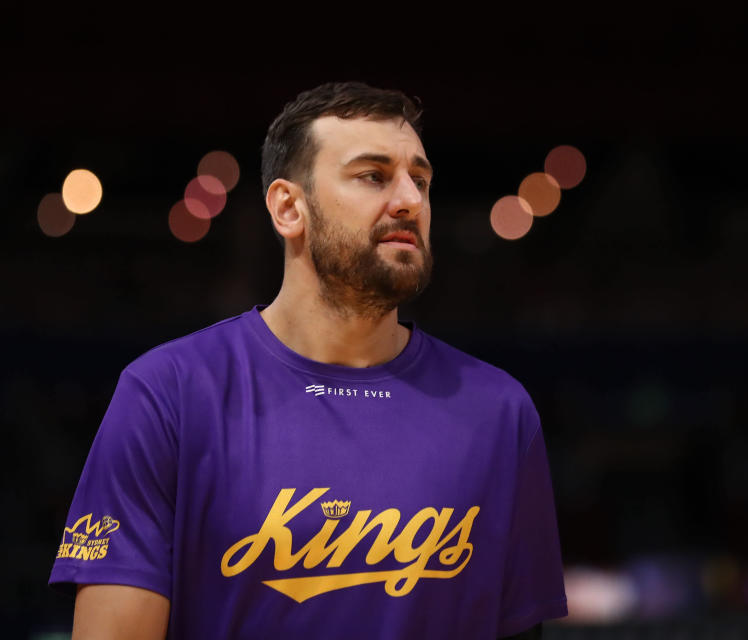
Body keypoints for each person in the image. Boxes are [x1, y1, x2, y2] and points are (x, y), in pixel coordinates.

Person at [50, 81, 567, 639]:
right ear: (288, 208)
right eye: (373, 175)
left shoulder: (499, 411)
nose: (410, 201)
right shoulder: (167, 394)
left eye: (420, 180)